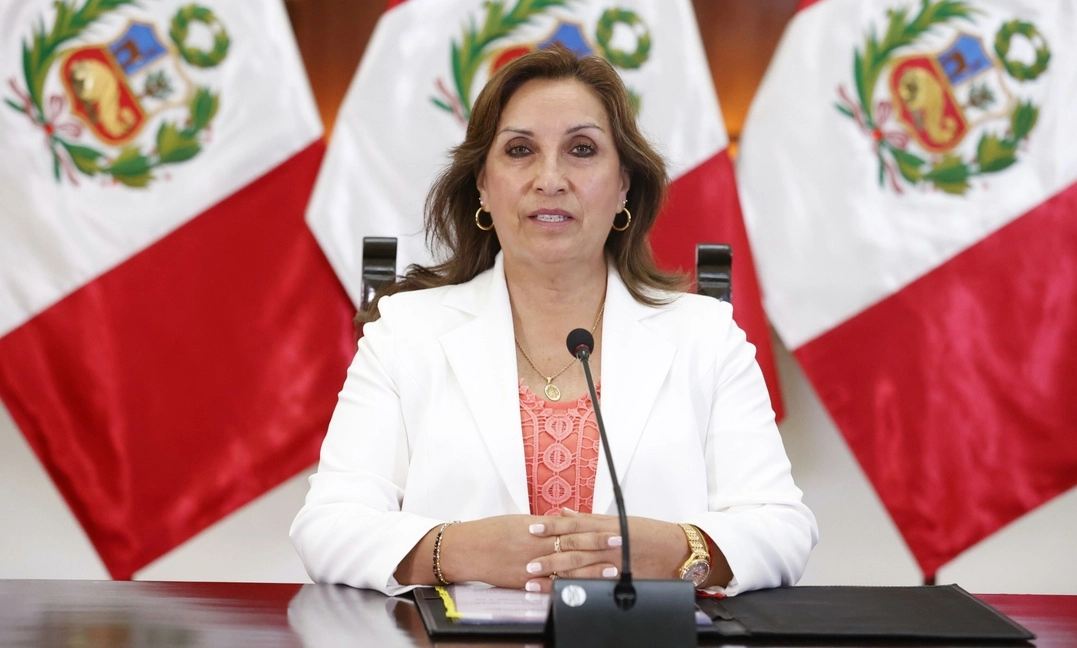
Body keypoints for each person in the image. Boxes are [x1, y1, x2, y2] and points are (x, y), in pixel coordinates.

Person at [290, 47, 817, 596]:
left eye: (581, 150)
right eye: (520, 150)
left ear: (624, 185)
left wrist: (673, 551)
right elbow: (327, 526)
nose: (550, 178)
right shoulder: (405, 332)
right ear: (482, 185)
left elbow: (782, 528)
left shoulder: (706, 336)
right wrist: (462, 551)